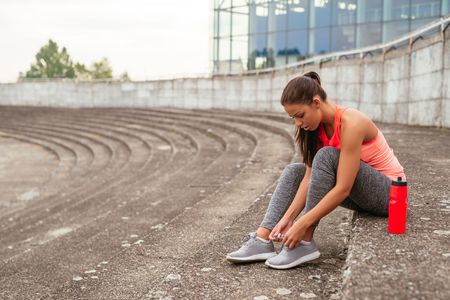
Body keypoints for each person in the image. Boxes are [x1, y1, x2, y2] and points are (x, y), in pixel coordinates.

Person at [226, 71, 406, 269]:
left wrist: (302, 224)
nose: (298, 123)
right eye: (293, 118)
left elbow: (343, 188)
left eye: (300, 115)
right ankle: (263, 239)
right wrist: (288, 218)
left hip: (389, 196)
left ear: (316, 103)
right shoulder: (316, 129)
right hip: (360, 194)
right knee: (295, 171)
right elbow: (309, 179)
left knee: (327, 155)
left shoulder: (352, 122)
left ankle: (305, 242)